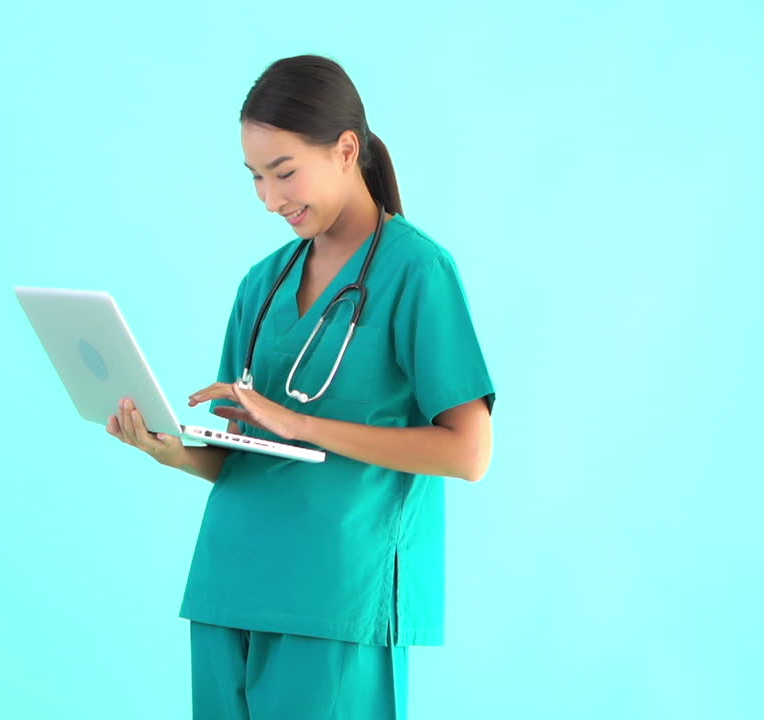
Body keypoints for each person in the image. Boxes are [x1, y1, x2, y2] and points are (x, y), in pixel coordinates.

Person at [106, 54, 496, 719]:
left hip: (336, 595)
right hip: (228, 586)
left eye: (284, 173)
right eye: (256, 178)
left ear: (347, 150)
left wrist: (304, 424)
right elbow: (240, 455)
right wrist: (166, 448)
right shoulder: (262, 284)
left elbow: (470, 453)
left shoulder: (418, 271)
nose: (270, 198)